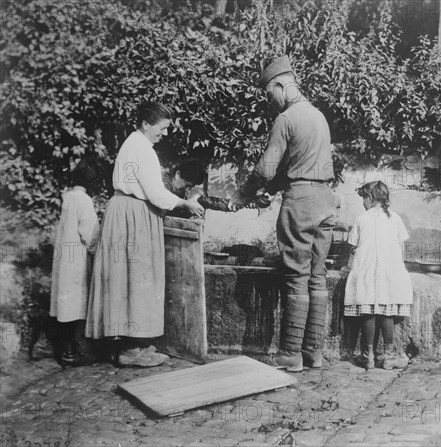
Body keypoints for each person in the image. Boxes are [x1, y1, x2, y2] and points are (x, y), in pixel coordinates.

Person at [228, 56, 336, 372]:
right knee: (318, 276)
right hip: (326, 202)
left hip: (301, 204)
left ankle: (290, 353)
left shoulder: (286, 118)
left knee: (296, 277)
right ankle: (313, 353)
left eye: (268, 93)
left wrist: (243, 194)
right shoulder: (318, 116)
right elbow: (300, 163)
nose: (269, 100)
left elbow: (267, 167)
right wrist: (273, 189)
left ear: (280, 85)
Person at [86, 102, 204, 367]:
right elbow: (154, 192)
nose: (164, 134)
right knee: (137, 275)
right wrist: (186, 204)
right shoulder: (141, 148)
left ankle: (131, 342)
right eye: (161, 129)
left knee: (126, 275)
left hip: (126, 210)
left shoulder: (135, 144)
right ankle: (130, 349)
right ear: (145, 124)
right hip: (133, 214)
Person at [344, 181, 412, 370]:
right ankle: (389, 357)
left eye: (364, 199)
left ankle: (368, 357)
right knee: (387, 312)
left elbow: (353, 246)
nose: (363, 203)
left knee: (368, 311)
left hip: (366, 271)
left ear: (371, 198)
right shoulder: (395, 218)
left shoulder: (361, 219)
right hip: (389, 272)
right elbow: (401, 247)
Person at [49, 159, 100, 365]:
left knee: (64, 299)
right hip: (76, 258)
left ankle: (59, 346)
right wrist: (95, 248)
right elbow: (90, 231)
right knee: (73, 302)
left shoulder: (67, 196)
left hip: (63, 255)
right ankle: (70, 350)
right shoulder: (84, 200)